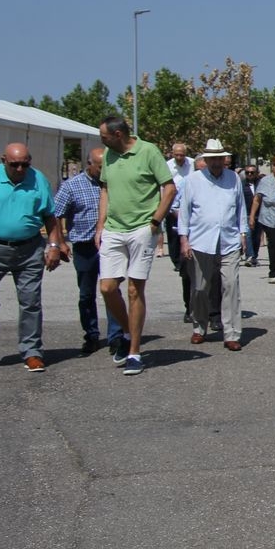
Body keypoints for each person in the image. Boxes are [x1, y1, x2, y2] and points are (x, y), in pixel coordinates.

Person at [97, 115, 176, 376]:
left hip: (142, 228)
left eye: (104, 137)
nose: (102, 141)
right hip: (113, 229)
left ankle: (133, 351)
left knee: (134, 289)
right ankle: (130, 329)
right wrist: (100, 226)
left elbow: (169, 188)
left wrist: (155, 222)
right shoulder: (109, 155)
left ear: (118, 134)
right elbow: (106, 190)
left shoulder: (148, 151)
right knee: (107, 288)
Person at [0, 143, 65, 372]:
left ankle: (32, 351)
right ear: (3, 160)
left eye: (25, 164)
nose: (20, 169)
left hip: (29, 250)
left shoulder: (38, 179)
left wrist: (54, 246)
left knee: (30, 302)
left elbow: (50, 217)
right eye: (14, 164)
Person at [178, 139, 247, 351]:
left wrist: (243, 233)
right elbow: (184, 212)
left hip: (229, 241)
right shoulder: (193, 180)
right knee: (200, 288)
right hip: (201, 242)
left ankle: (232, 333)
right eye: (212, 159)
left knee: (231, 287)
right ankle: (199, 327)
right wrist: (184, 239)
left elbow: (240, 208)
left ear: (224, 159)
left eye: (219, 158)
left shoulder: (233, 178)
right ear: (206, 160)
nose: (216, 162)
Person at [53, 146, 122, 356]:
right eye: (100, 167)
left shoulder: (114, 183)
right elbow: (56, 214)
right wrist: (60, 242)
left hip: (110, 243)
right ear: (89, 164)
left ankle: (116, 336)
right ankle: (91, 334)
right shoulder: (72, 186)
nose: (104, 171)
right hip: (84, 246)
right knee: (86, 294)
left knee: (111, 290)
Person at [249, 154, 275, 284]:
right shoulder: (265, 181)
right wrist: (252, 216)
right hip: (269, 218)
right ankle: (273, 272)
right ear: (272, 166)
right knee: (274, 245)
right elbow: (257, 199)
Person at [165, 143, 193, 315]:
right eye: (177, 155)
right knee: (174, 237)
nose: (180, 157)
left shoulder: (193, 166)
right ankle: (176, 261)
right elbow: (167, 190)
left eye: (182, 155)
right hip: (175, 209)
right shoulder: (168, 167)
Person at [240, 163, 261, 267]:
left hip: (259, 215)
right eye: (247, 172)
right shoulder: (241, 184)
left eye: (252, 172)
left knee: (256, 238)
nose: (249, 174)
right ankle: (250, 256)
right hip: (246, 214)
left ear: (256, 173)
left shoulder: (260, 184)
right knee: (247, 235)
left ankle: (254, 256)